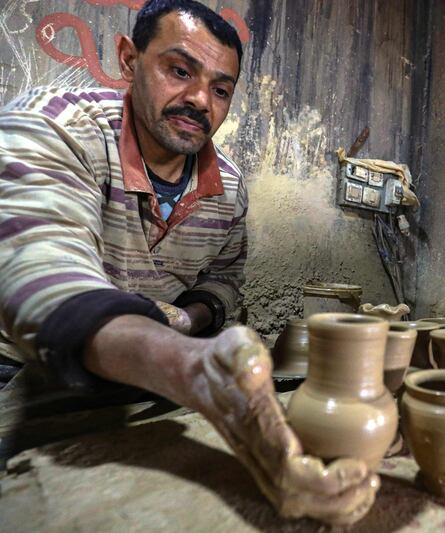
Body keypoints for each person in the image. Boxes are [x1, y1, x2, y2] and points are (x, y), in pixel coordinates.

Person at [0, 0, 377, 525]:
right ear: (130, 61)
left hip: (154, 376)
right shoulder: (55, 125)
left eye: (221, 89)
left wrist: (188, 320)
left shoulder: (227, 186)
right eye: (180, 71)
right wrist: (194, 368)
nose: (200, 100)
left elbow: (223, 282)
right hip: (26, 373)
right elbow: (43, 279)